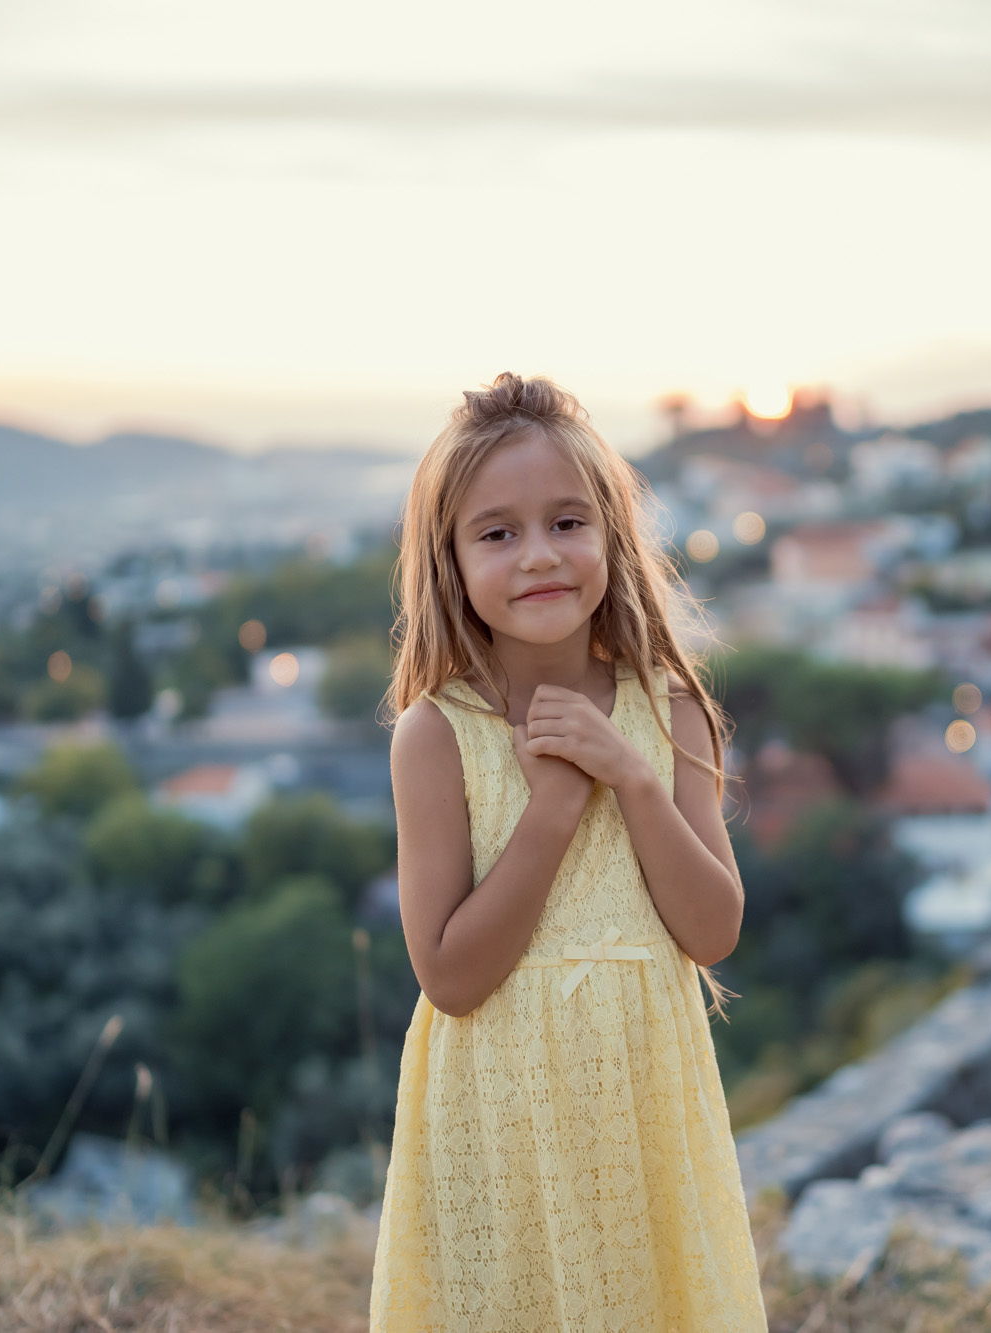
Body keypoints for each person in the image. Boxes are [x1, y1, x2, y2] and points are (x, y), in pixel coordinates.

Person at [370, 373, 766, 1330]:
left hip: (644, 1118)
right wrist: (551, 810)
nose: (539, 555)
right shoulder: (435, 736)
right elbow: (451, 976)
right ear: (451, 562)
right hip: (500, 1130)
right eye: (497, 533)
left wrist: (630, 777)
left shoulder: (668, 709)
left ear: (611, 538)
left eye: (567, 522)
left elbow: (712, 930)